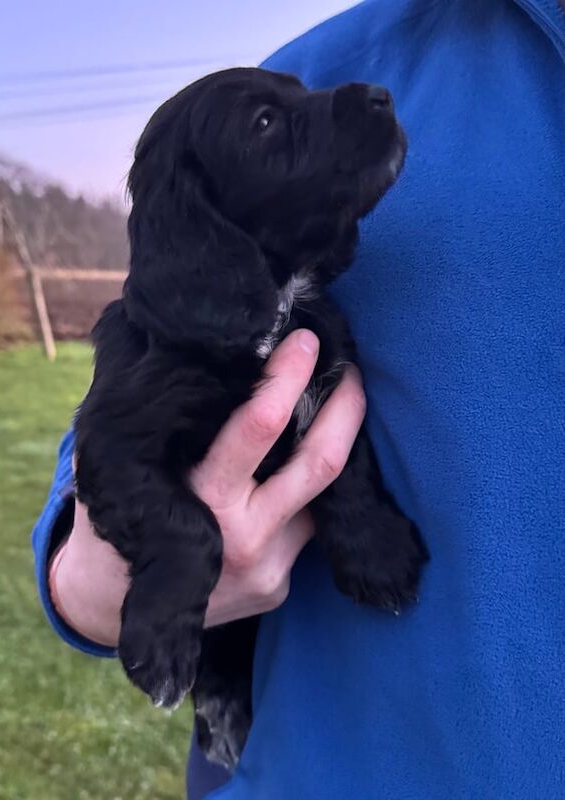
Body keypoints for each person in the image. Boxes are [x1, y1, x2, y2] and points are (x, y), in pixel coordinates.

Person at [32, 0, 565, 797]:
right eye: (269, 123)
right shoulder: (339, 55)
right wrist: (103, 580)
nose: (366, 100)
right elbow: (103, 450)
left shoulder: (303, 302)